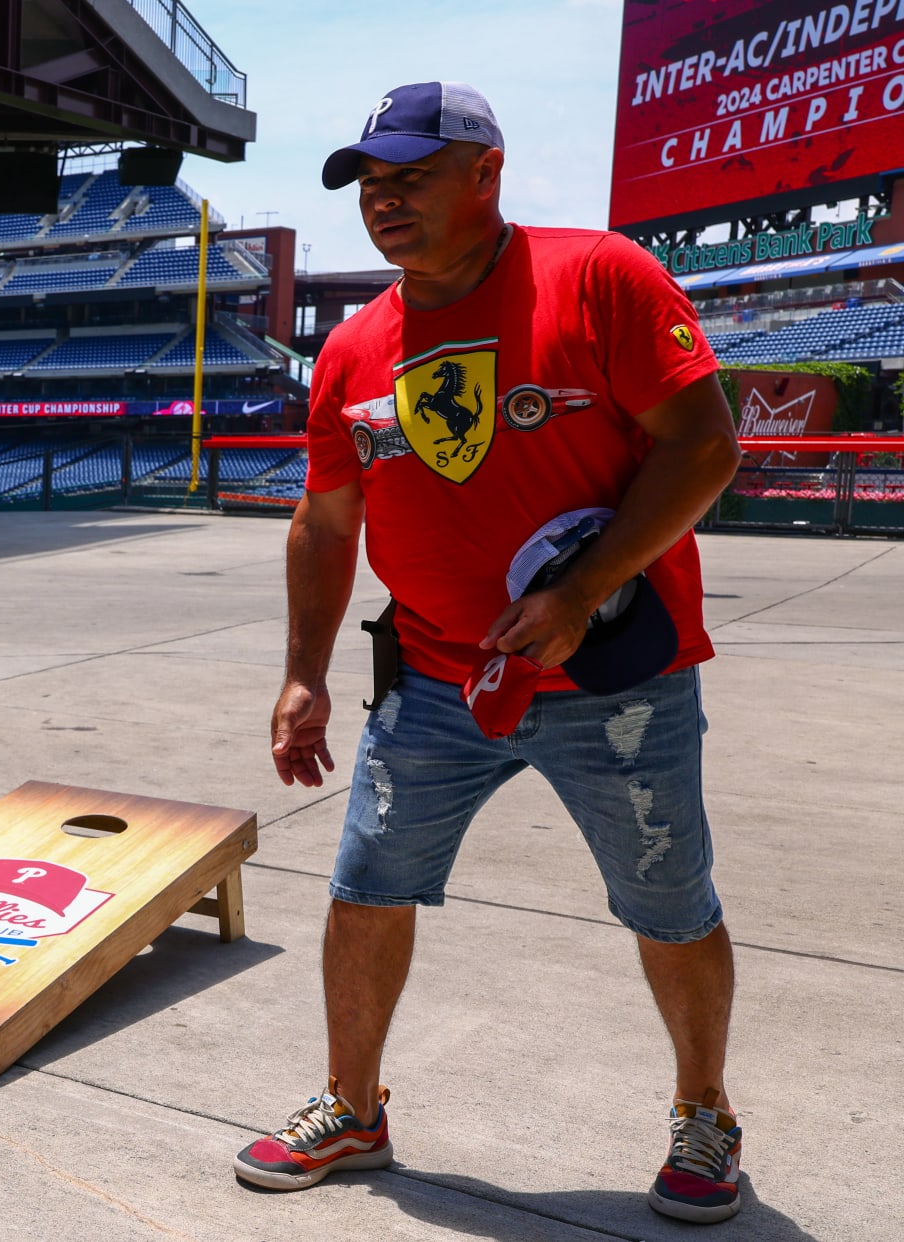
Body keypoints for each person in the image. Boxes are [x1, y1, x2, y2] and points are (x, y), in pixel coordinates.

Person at [243, 82, 747, 1226]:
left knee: (668, 901)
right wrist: (306, 672)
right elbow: (326, 523)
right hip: (431, 678)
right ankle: (355, 1108)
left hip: (614, 677)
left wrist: (581, 592)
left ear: (487, 172)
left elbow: (705, 447)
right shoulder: (356, 345)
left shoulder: (600, 277)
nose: (385, 201)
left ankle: (706, 1112)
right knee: (365, 885)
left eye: (410, 176)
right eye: (370, 184)